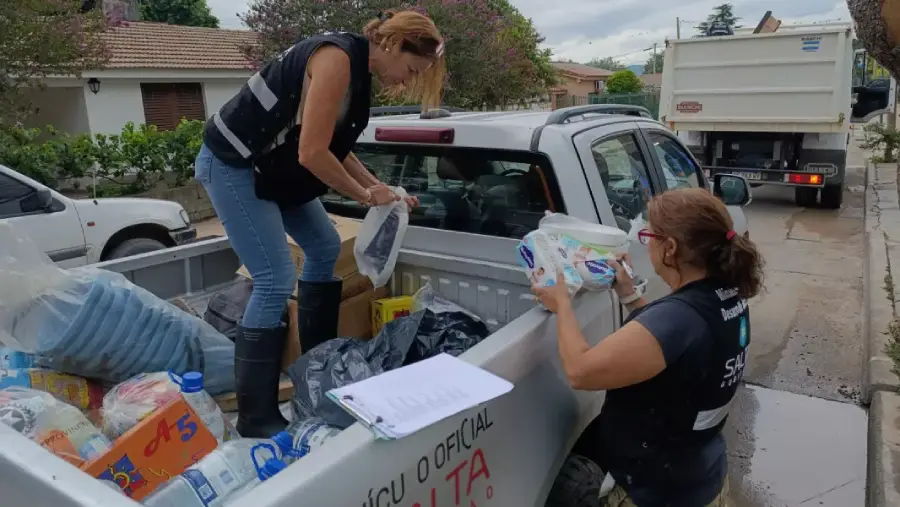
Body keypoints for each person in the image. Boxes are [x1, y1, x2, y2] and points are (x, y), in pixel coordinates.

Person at [194, 9, 445, 438]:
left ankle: (316, 367)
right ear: (392, 43)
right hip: (233, 164)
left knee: (326, 246)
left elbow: (332, 143)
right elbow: (312, 153)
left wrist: (380, 186)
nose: (405, 81)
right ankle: (256, 415)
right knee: (274, 279)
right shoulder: (336, 59)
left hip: (272, 168)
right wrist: (366, 196)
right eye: (410, 69)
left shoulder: (360, 71)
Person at [536, 188, 765, 507]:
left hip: (660, 492)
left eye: (648, 236)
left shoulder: (679, 318)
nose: (647, 244)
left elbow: (579, 371)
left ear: (669, 248)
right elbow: (669, 344)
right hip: (700, 473)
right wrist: (630, 296)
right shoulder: (726, 295)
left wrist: (561, 303)